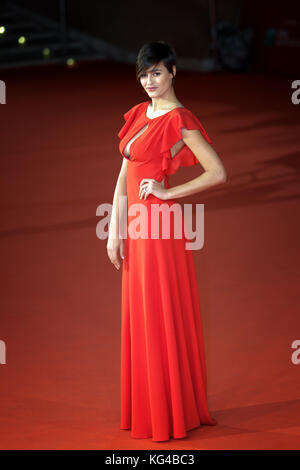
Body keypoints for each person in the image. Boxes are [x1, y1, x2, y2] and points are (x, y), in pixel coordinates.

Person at [107, 41, 227, 442]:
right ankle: (154, 405)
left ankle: (171, 411)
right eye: (143, 74)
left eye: (156, 72)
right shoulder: (139, 113)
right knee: (141, 313)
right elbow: (124, 175)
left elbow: (217, 172)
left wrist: (166, 192)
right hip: (137, 228)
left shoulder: (180, 119)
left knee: (159, 311)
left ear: (173, 72)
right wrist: (114, 230)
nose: (149, 81)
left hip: (160, 228)